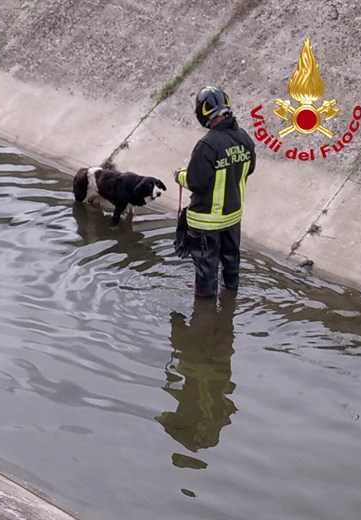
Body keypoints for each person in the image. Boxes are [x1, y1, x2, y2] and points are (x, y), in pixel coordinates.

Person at [174, 86, 256, 298]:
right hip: (232, 219)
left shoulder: (207, 145)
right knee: (231, 266)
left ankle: (205, 318)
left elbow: (195, 182)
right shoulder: (244, 139)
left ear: (203, 113)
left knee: (205, 275)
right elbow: (249, 170)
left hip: (205, 223)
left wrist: (179, 175)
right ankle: (229, 304)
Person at [156, 291, 237, 458]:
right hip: (213, 366)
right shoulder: (213, 425)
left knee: (206, 313)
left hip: (209, 366)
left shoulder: (211, 423)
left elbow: (164, 417)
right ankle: (221, 297)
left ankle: (201, 304)